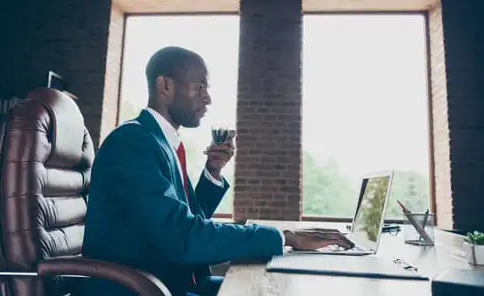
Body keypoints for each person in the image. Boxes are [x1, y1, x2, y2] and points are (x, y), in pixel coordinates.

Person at [82, 46, 353, 296]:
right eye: (199, 87)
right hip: (143, 289)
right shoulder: (132, 143)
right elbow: (184, 237)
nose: (208, 98)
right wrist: (283, 236)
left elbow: (181, 220)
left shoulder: (159, 142)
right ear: (165, 86)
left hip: (170, 282)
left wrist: (212, 172)